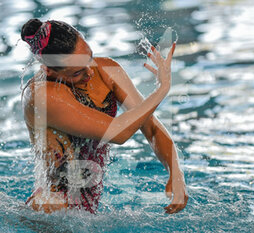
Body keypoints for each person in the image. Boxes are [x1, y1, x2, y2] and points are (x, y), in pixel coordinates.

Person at [20, 19, 188, 214]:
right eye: (77, 72)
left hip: (85, 212)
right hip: (52, 212)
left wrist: (176, 173)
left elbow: (149, 125)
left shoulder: (107, 70)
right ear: (48, 70)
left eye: (89, 58)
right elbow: (118, 133)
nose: (91, 72)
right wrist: (162, 90)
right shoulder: (42, 96)